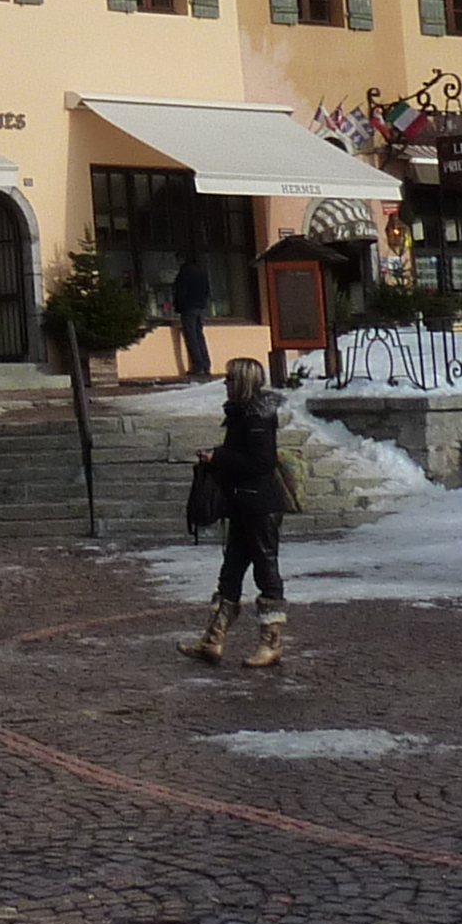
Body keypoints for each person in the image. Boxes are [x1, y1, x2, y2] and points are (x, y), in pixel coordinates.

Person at [184, 357, 290, 669]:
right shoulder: (243, 414)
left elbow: (261, 462)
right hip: (244, 504)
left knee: (266, 571)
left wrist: (219, 457)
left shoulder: (256, 417)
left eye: (230, 378)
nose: (225, 383)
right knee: (230, 572)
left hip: (260, 506)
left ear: (243, 382)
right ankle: (212, 640)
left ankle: (272, 643)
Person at [169, 254, 216, 383]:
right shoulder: (202, 271)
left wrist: (178, 306)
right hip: (200, 307)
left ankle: (198, 366)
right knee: (199, 335)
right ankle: (206, 365)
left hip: (188, 308)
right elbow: (207, 290)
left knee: (191, 337)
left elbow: (180, 291)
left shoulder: (184, 272)